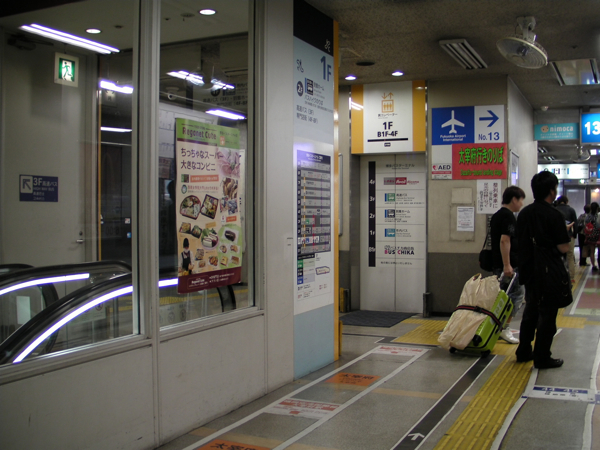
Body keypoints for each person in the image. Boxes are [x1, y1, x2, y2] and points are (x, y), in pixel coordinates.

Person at [515, 171, 570, 369]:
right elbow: (563, 247)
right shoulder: (555, 215)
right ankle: (542, 357)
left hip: (529, 270)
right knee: (547, 315)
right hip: (549, 272)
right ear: (552, 191)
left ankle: (523, 350)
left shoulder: (524, 213)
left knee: (531, 310)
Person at [490, 186, 526, 344]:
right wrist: (507, 265)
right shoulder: (508, 216)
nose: (522, 204)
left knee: (501, 297)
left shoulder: (497, 215)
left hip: (498, 263)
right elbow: (505, 240)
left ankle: (497, 328)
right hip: (509, 266)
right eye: (521, 200)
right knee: (516, 296)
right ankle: (505, 328)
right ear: (514, 199)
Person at [555, 196, 577, 280]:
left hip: (557, 237)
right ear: (566, 201)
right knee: (570, 256)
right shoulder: (571, 210)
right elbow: (575, 223)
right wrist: (574, 235)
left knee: (558, 257)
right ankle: (571, 277)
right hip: (569, 236)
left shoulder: (554, 209)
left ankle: (560, 276)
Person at [584, 202, 600, 271]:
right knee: (599, 251)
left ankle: (593, 265)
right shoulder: (598, 216)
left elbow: (586, 226)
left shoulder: (588, 216)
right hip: (598, 235)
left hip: (591, 235)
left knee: (592, 252)